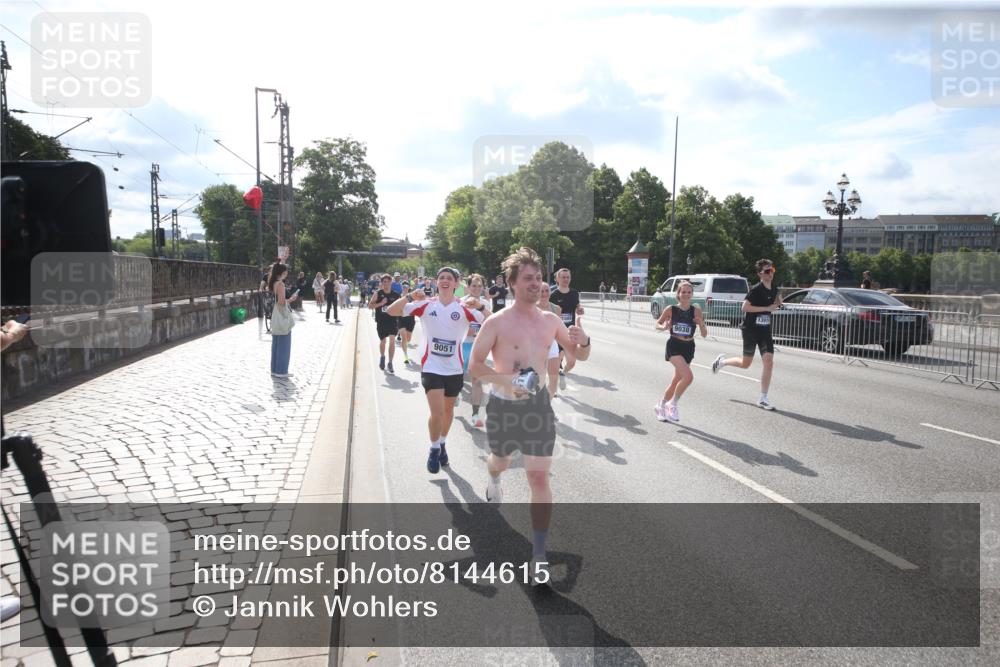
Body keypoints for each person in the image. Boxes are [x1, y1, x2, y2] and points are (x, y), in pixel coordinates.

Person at [470, 248, 591, 585]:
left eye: (539, 278)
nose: (536, 284)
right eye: (528, 278)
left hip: (538, 408)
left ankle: (539, 555)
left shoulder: (551, 321)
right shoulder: (496, 322)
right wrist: (509, 381)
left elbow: (578, 354)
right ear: (511, 283)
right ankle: (492, 476)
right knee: (501, 461)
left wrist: (584, 341)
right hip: (504, 408)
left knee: (539, 478)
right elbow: (475, 366)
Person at [388, 267, 486, 473]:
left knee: (449, 411)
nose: (445, 281)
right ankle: (433, 449)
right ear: (436, 282)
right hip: (431, 367)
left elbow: (493, 321)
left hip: (454, 369)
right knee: (437, 411)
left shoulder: (463, 307)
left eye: (449, 278)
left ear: (457, 284)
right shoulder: (425, 304)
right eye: (441, 278)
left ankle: (442, 443)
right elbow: (391, 311)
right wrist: (408, 296)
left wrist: (480, 306)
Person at [712, 258, 781, 410]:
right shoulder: (756, 290)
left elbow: (776, 303)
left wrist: (777, 304)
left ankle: (763, 398)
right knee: (746, 364)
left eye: (772, 270)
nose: (771, 274)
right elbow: (745, 307)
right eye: (767, 271)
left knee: (768, 361)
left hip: (765, 331)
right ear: (760, 274)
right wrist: (766, 308)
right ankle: (722, 362)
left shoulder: (775, 288)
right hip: (750, 330)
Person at [654, 280, 707, 422]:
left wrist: (700, 323)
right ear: (678, 293)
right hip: (674, 346)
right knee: (688, 377)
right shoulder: (671, 309)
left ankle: (661, 405)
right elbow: (657, 324)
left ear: (692, 294)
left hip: (689, 347)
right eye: (683, 292)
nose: (686, 294)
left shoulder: (696, 311)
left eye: (689, 292)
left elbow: (704, 334)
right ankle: (673, 404)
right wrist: (664, 327)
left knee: (676, 380)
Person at [462, 274, 493, 427]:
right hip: (462, 345)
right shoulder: (461, 302)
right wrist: (464, 331)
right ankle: (454, 394)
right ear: (468, 287)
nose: (476, 289)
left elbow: (490, 322)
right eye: (473, 286)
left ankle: (475, 415)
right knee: (457, 378)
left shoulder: (486, 303)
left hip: (478, 346)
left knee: (476, 380)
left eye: (479, 286)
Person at [549, 267, 585, 383]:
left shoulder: (574, 293)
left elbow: (577, 306)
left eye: (568, 277)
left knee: (571, 362)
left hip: (570, 332)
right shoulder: (553, 294)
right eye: (563, 277)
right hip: (557, 332)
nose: (566, 279)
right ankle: (553, 387)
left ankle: (563, 373)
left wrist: (579, 309)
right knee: (557, 359)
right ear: (558, 279)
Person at [269, 263, 298, 377]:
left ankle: (275, 369)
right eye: (285, 271)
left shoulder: (273, 283)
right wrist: (291, 299)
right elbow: (281, 302)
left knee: (276, 342)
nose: (287, 273)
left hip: (275, 313)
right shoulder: (280, 284)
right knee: (284, 343)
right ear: (281, 272)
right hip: (281, 314)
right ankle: (281, 371)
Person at [368, 274, 400, 373]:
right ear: (381, 283)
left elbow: (402, 307)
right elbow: (370, 306)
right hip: (381, 321)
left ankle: (390, 363)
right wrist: (381, 303)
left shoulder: (396, 295)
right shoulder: (378, 293)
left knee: (392, 340)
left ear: (391, 282)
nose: (386, 284)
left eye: (388, 281)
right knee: (383, 342)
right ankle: (382, 357)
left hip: (392, 321)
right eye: (384, 282)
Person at [537, 283, 563, 399]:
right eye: (541, 291)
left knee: (553, 380)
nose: (544, 294)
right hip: (536, 348)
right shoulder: (531, 308)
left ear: (550, 292)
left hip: (552, 346)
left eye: (546, 291)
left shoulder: (556, 309)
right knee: (540, 381)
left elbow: (559, 330)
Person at [397, 282, 417, 365]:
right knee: (403, 336)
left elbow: (416, 306)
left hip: (410, 319)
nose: (405, 288)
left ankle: (405, 346)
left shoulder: (412, 298)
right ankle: (405, 356)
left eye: (406, 287)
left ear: (408, 288)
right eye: (403, 287)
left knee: (408, 339)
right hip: (401, 319)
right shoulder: (398, 297)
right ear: (402, 288)